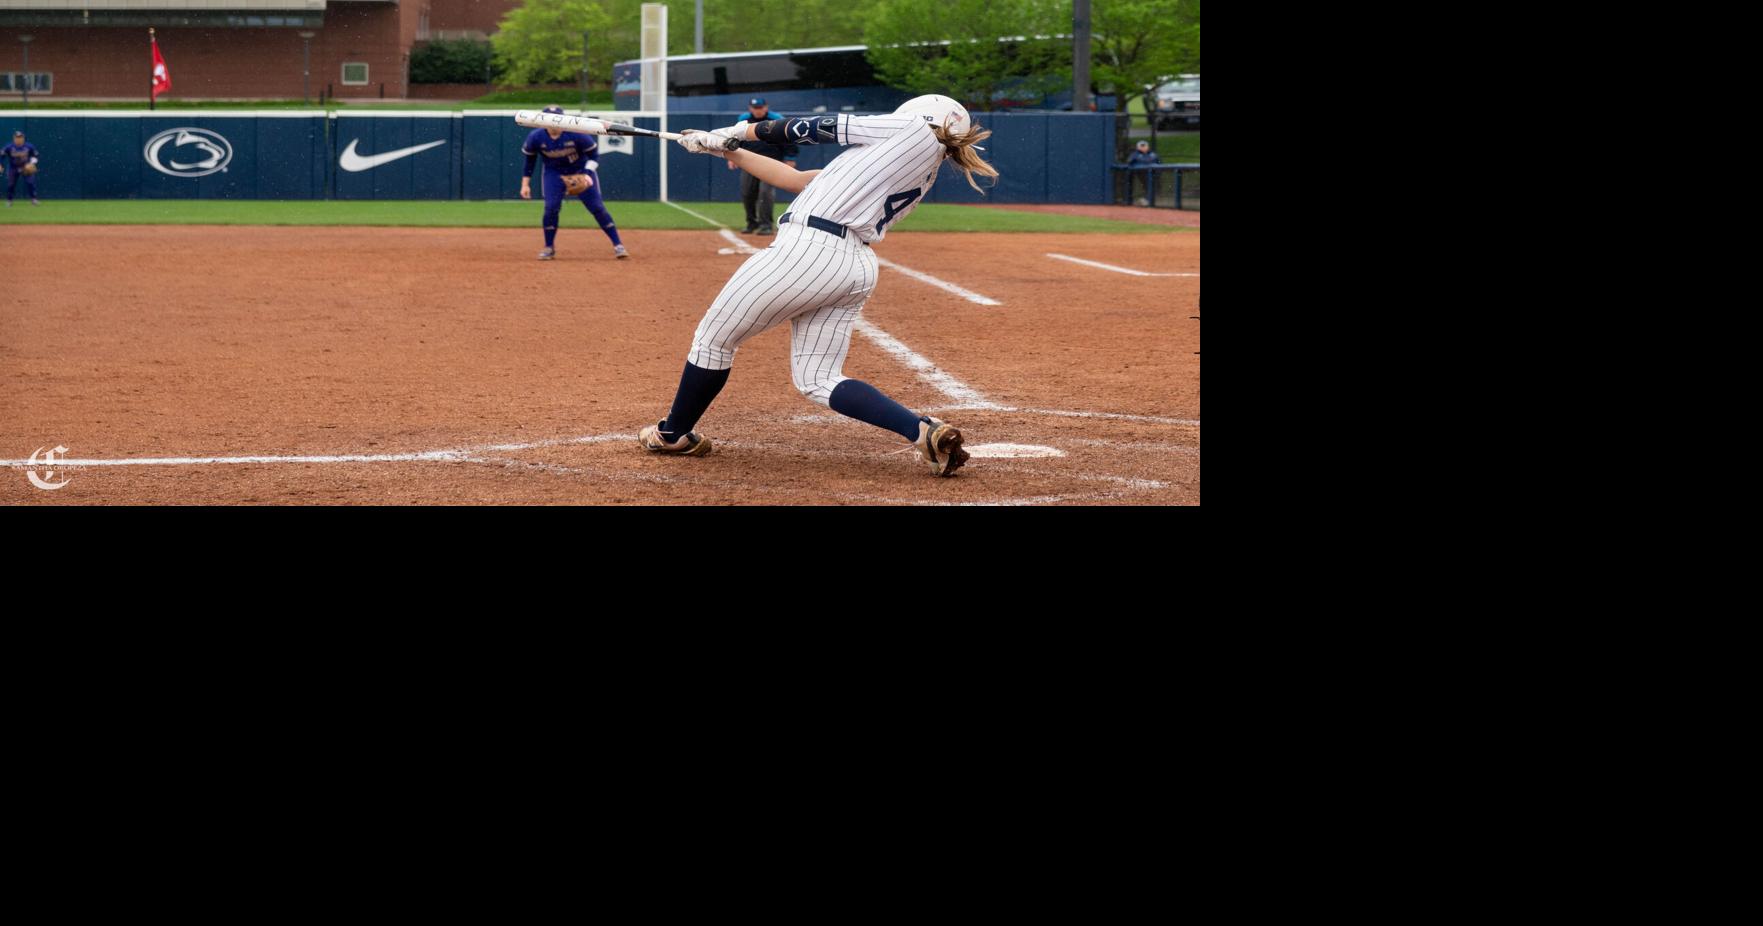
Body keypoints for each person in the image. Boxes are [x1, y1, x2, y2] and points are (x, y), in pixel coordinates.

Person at [637, 94, 998, 477]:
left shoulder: (909, 130)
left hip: (808, 251)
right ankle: (923, 430)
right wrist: (726, 148)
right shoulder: (907, 164)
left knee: (713, 340)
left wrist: (735, 130)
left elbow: (810, 128)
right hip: (852, 265)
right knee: (819, 379)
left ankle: (674, 433)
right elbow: (795, 180)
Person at [519, 105, 626, 260]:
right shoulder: (536, 137)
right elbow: (530, 161)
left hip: (581, 172)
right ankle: (549, 247)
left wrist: (588, 174)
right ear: (542, 121)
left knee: (597, 207)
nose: (554, 123)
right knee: (551, 208)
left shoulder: (577, 134)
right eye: (549, 120)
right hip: (554, 174)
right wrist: (525, 184)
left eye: (558, 120)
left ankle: (618, 245)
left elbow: (594, 156)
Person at [729, 97, 798, 235]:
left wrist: (790, 158)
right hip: (748, 161)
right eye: (755, 108)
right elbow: (735, 138)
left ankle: (766, 225)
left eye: (760, 108)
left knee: (765, 193)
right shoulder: (744, 119)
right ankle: (751, 223)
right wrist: (732, 156)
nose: (758, 111)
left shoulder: (776, 119)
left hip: (771, 162)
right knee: (747, 193)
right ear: (750, 108)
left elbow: (788, 138)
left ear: (766, 107)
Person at [4, 130, 41, 207]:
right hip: (13, 168)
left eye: (20, 137)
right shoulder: (9, 147)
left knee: (30, 183)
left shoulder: (29, 146)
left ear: (23, 138)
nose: (19, 139)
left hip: (26, 167)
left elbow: (36, 156)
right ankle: (9, 201)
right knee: (11, 185)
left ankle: (34, 200)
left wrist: (31, 163)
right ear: (14, 138)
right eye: (17, 137)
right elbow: (1, 155)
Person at [1126, 140, 1160, 206]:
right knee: (1146, 187)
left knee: (1153, 188)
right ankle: (1144, 200)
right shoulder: (1135, 154)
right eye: (1141, 146)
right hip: (1141, 174)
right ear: (1138, 147)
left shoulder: (1153, 154)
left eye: (1144, 146)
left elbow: (1159, 162)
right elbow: (1129, 162)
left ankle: (1147, 200)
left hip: (1154, 174)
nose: (1143, 147)